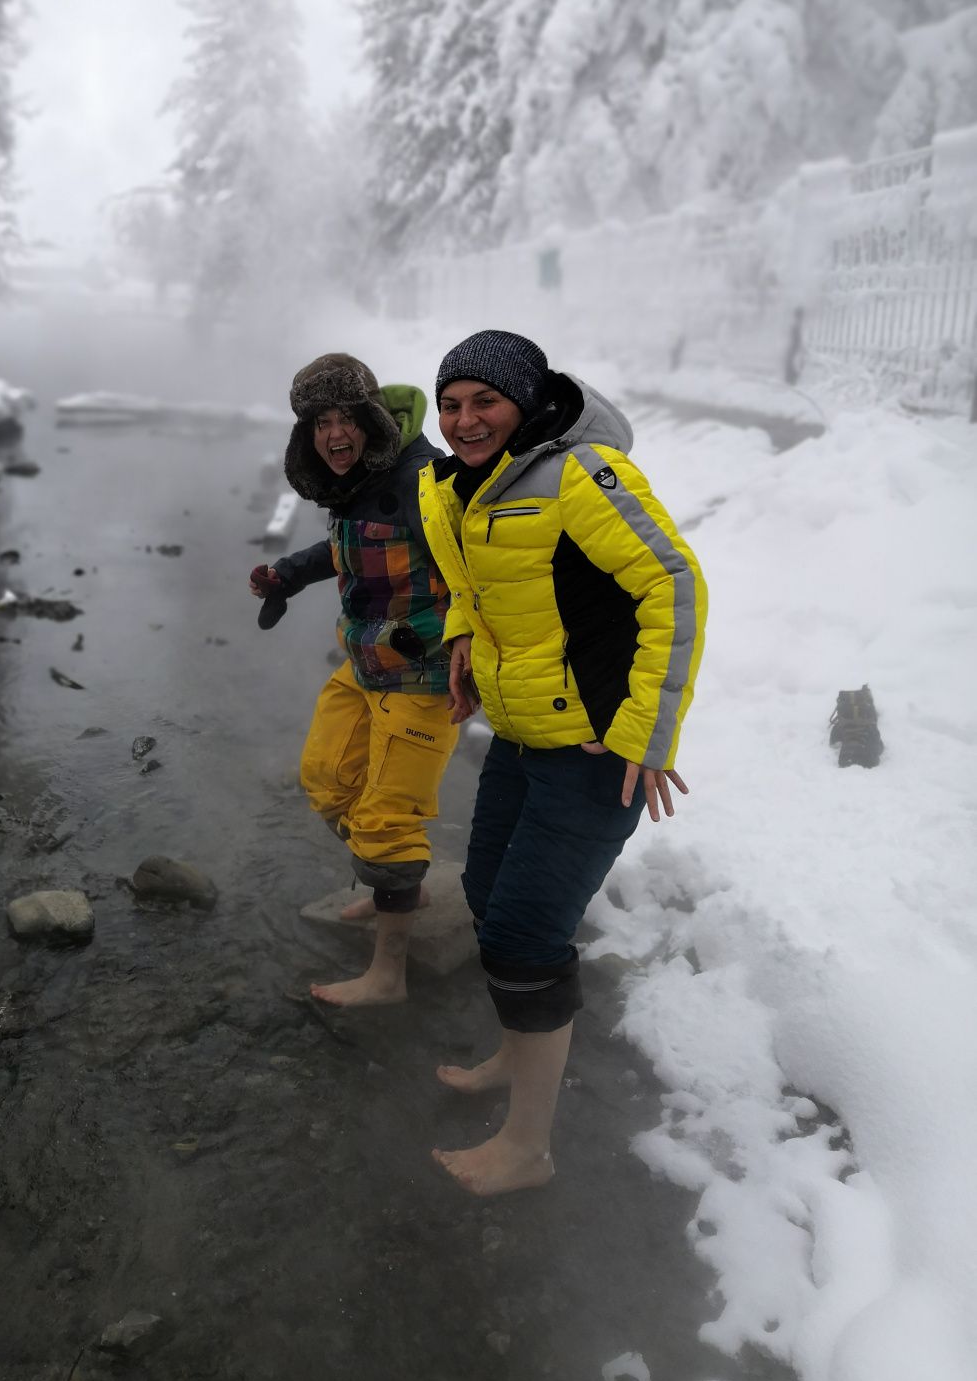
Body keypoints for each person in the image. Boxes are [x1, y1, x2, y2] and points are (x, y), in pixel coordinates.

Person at [417, 329, 707, 1195]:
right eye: (452, 403)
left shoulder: (576, 476)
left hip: (594, 751)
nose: (465, 420)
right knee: (483, 898)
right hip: (519, 731)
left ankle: (527, 1149)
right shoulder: (464, 487)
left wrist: (645, 734)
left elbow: (673, 584)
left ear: (527, 402)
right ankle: (517, 1055)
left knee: (523, 939)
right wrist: (463, 635)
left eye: (485, 402)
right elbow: (471, 577)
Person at [250, 353, 458, 1006]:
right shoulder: (359, 481)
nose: (333, 436)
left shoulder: (425, 481)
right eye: (318, 423)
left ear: (370, 418)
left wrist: (471, 646)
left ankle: (387, 975)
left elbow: (481, 570)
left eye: (344, 419)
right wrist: (286, 573)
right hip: (365, 664)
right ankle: (400, 887)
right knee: (325, 778)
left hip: (422, 676)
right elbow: (346, 546)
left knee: (385, 819)